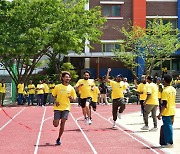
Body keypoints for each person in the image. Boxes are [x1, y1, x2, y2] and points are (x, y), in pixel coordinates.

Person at [52, 71, 77, 145]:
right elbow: (53, 96)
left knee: (63, 121)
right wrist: (55, 101)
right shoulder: (57, 87)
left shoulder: (71, 88)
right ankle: (55, 120)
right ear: (62, 78)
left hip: (66, 107)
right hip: (58, 107)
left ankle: (59, 138)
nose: (68, 78)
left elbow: (75, 98)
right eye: (66, 77)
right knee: (56, 124)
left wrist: (72, 98)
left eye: (69, 77)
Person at [157, 74, 176, 147]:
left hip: (167, 111)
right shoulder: (173, 89)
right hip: (172, 110)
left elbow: (164, 104)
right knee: (169, 126)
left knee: (168, 127)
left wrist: (160, 114)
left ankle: (169, 142)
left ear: (164, 80)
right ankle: (167, 141)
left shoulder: (165, 91)